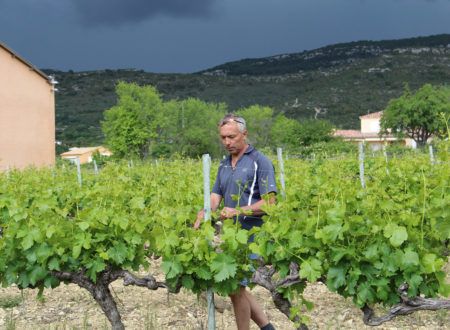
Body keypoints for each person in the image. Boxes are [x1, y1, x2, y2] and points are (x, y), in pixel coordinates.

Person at [194, 113, 277, 330]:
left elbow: (270, 203)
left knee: (237, 289)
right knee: (234, 286)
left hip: (253, 233)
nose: (227, 142)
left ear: (244, 134)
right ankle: (268, 328)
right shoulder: (223, 164)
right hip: (231, 234)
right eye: (223, 138)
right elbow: (215, 196)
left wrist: (238, 210)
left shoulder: (261, 161)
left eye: (231, 137)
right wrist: (204, 212)